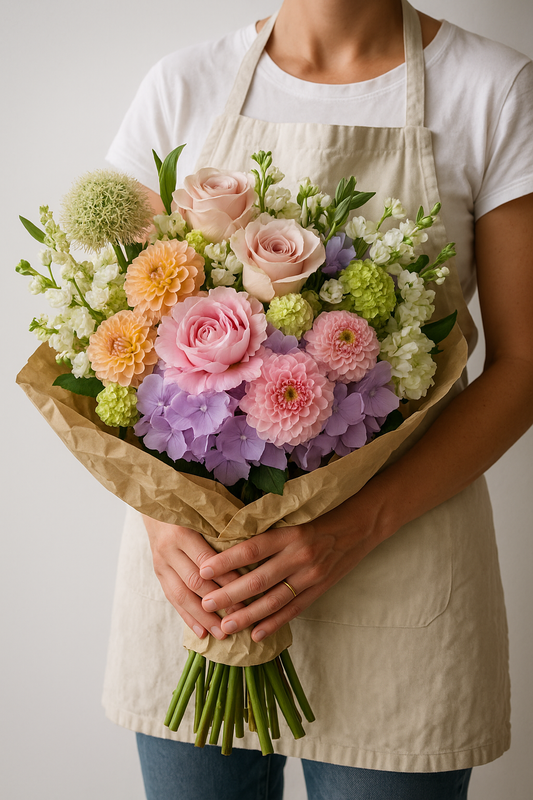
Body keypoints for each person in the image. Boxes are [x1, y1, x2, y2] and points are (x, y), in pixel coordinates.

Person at [104, 1, 533, 798]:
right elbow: (118, 338)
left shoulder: (492, 88)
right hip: (201, 580)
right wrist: (161, 517)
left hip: (401, 555)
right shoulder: (183, 85)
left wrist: (352, 527)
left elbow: (524, 362)